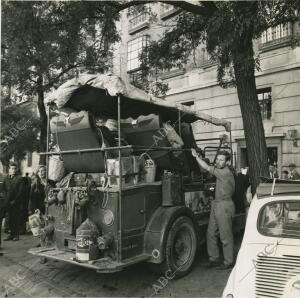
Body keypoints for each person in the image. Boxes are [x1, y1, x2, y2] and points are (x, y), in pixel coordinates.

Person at [191, 149, 235, 270]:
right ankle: (214, 259)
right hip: (217, 204)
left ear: (227, 162)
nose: (218, 162)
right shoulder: (220, 171)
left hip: (225, 205)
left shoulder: (225, 173)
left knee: (225, 236)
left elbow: (206, 167)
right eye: (218, 159)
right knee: (210, 233)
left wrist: (196, 157)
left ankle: (228, 261)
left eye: (222, 160)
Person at [3, 162, 24, 241]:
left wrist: (15, 201)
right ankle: (11, 234)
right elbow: (4, 189)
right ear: (9, 169)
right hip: (7, 201)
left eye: (15, 168)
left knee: (15, 218)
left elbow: (20, 192)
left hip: (16, 202)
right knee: (10, 218)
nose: (13, 170)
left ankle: (16, 235)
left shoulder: (20, 178)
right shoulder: (6, 178)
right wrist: (6, 199)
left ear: (17, 169)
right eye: (12, 168)